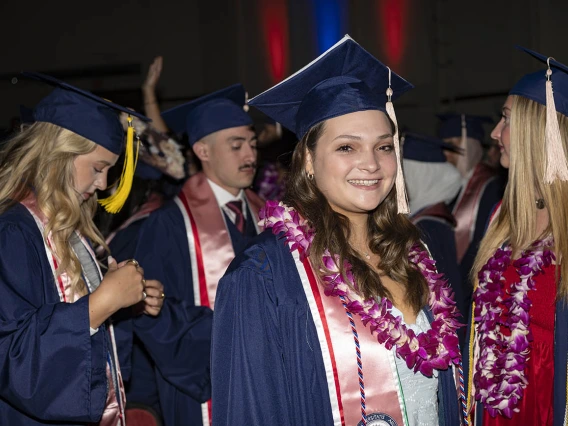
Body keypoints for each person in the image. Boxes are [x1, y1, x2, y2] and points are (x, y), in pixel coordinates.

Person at [211, 35, 464, 426]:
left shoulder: (411, 252)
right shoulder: (263, 275)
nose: (372, 164)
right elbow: (249, 411)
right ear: (309, 160)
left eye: (383, 147)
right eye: (347, 147)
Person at [0, 72, 165, 425]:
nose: (104, 184)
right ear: (60, 154)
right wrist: (102, 301)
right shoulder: (13, 233)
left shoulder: (71, 231)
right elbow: (13, 356)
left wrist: (125, 305)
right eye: (98, 168)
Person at [134, 83, 264, 426]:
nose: (250, 155)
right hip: (202, 385)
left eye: (252, 144)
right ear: (202, 151)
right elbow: (151, 314)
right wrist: (232, 338)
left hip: (269, 381)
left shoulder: (271, 217)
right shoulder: (168, 225)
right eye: (236, 146)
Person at [464, 47, 568, 426]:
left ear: (537, 129)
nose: (495, 133)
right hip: (495, 407)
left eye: (505, 119)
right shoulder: (502, 217)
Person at [437, 113, 506, 309]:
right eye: (444, 146)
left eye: (452, 146)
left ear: (469, 146)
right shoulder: (449, 186)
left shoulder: (492, 186)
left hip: (472, 291)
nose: (446, 154)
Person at [402, 131, 467, 325]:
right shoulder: (427, 218)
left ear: (422, 177)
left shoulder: (429, 226)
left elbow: (446, 298)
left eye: (405, 173)